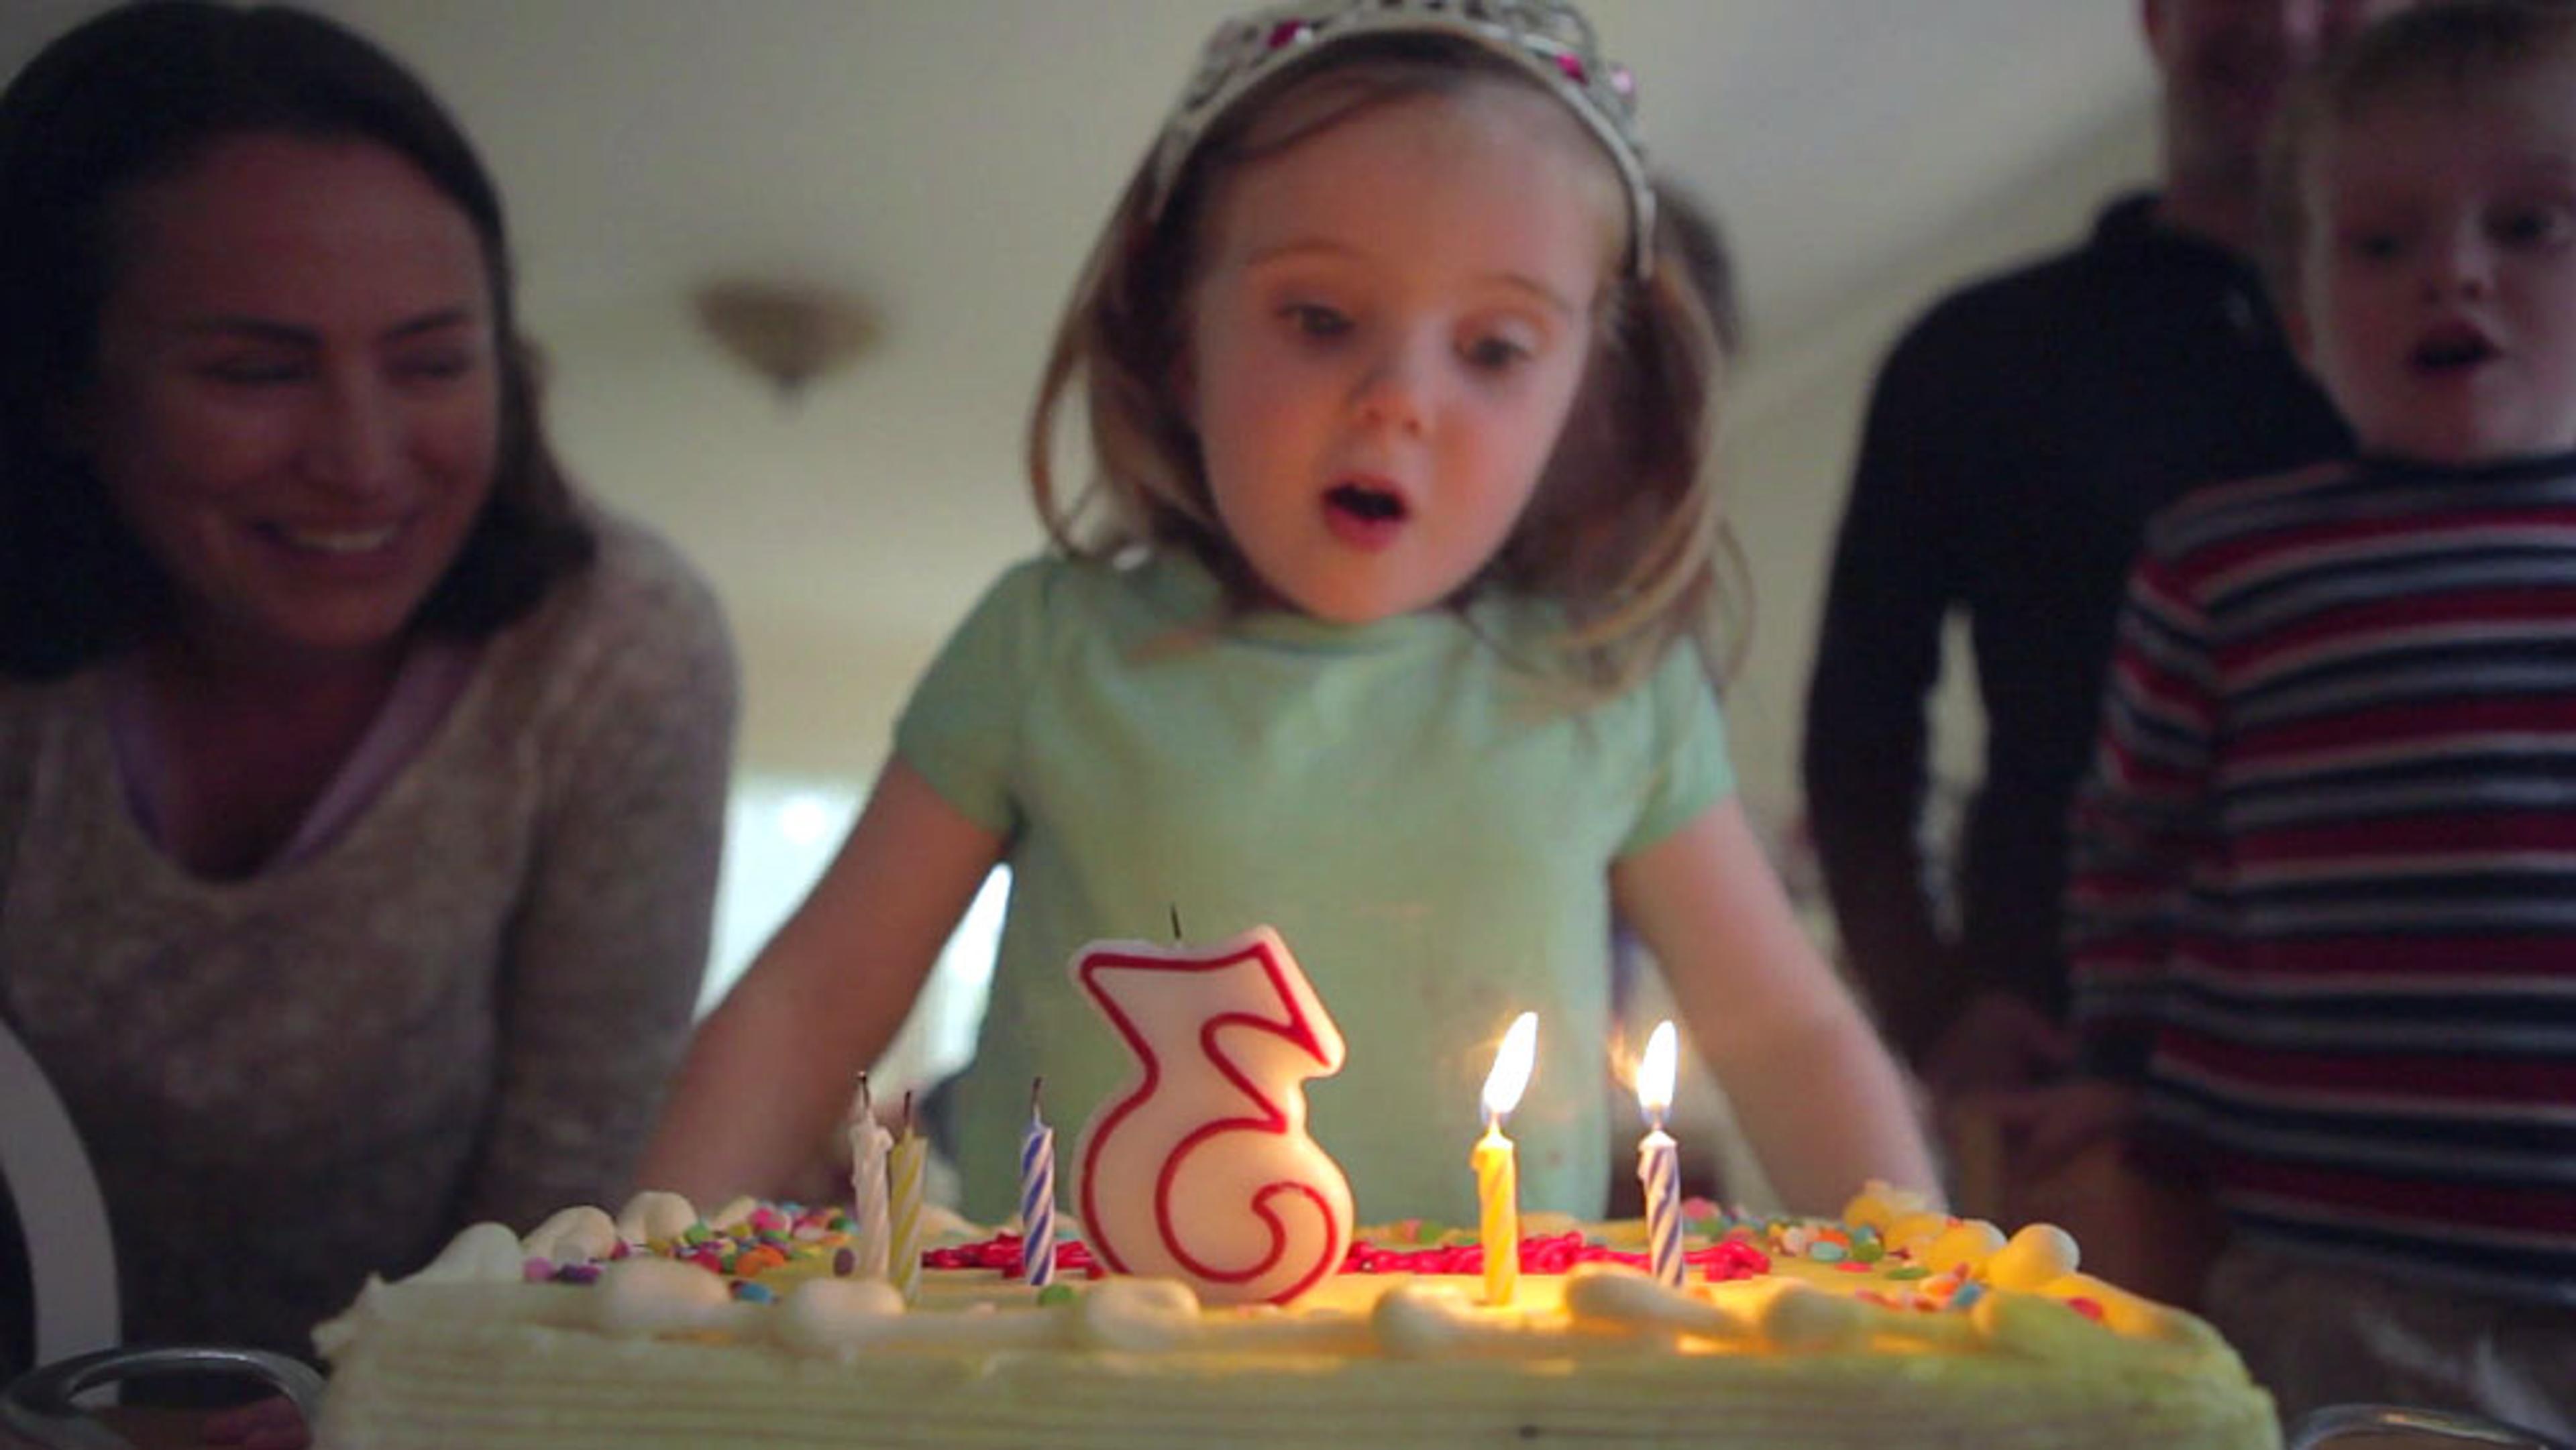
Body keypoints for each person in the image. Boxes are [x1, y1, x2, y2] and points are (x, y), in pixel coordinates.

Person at [643, 0, 1937, 1230]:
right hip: (1062, 1383)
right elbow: (813, 1003)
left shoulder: (1615, 690)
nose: (1400, 399)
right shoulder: (1046, 649)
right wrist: (634, 1263)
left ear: (1585, 394)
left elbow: (1789, 1034)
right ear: (1175, 334)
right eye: (1320, 319)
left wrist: (1938, 1281)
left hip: (1483, 1398)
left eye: (1493, 350)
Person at [0, 0, 739, 1380]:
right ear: (63, 388)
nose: (362, 457)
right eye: (253, 370)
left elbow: (556, 1217)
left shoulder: (614, 657)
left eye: (433, 362)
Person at [2051, 1, 2576, 1434]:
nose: (2453, 276)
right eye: (2382, 244)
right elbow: (2132, 842)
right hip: (2329, 1274)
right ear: (2300, 311)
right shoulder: (2220, 559)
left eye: (2529, 226)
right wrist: (2114, 1065)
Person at [1799, 0, 2394, 1115]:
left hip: (2441, 1070)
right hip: (2064, 1066)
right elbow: (1862, 726)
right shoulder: (1975, 357)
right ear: (2157, 15)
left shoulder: (2506, 350)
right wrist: (1929, 1009)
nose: (2290, 22)